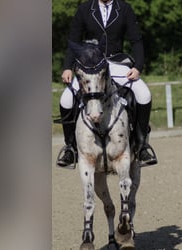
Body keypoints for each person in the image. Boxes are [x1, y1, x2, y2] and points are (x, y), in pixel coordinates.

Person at [57, 0, 157, 167]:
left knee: (144, 94)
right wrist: (67, 67)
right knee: (65, 100)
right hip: (90, 65)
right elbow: (73, 42)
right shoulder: (84, 9)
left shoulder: (124, 9)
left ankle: (141, 145)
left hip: (116, 63)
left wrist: (138, 66)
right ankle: (70, 148)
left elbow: (136, 41)